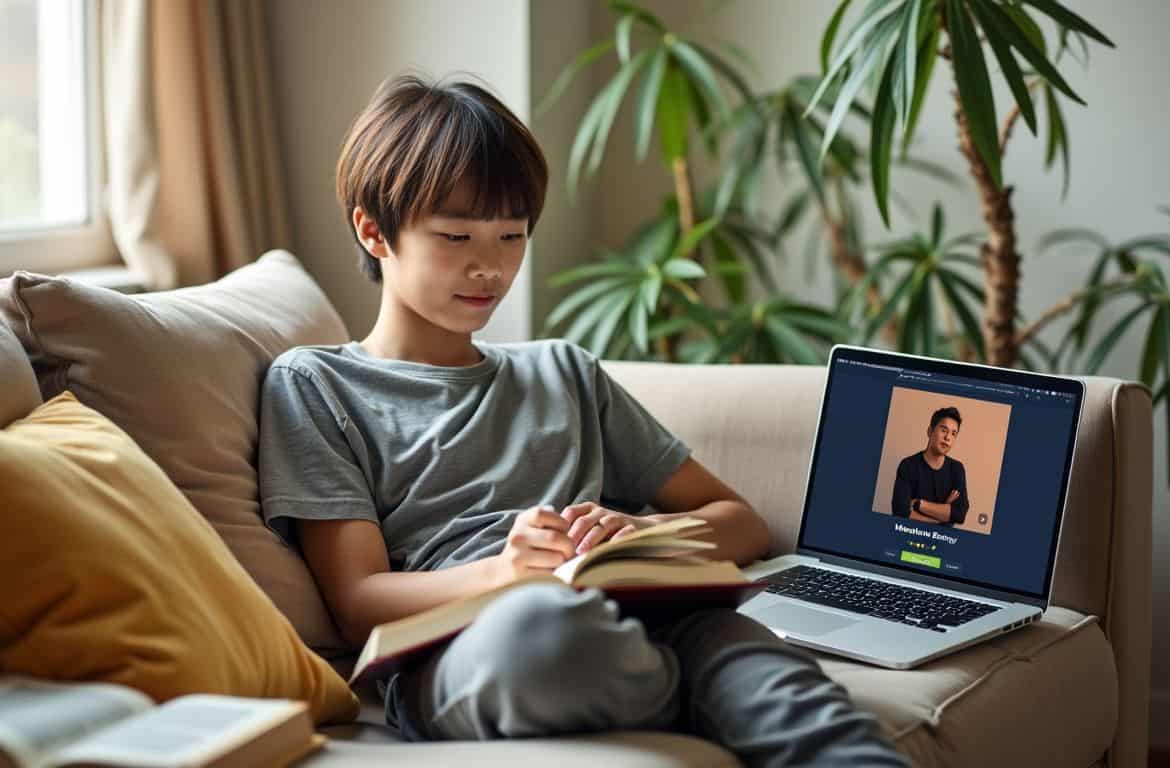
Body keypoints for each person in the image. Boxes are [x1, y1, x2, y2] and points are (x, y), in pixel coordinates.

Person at [257, 74, 907, 767]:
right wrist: (505, 573)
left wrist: (642, 532)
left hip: (652, 616)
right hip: (472, 639)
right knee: (548, 634)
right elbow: (358, 600)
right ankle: (681, 690)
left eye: (513, 236)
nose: (490, 267)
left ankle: (678, 679)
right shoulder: (317, 384)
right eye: (456, 236)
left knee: (796, 699)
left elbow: (740, 521)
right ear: (372, 230)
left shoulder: (562, 371)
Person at [891, 407, 970, 526]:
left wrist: (919, 504)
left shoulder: (957, 469)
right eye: (944, 430)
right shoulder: (908, 465)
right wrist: (941, 516)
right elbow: (900, 512)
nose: (948, 437)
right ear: (930, 431)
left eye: (953, 434)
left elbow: (959, 514)